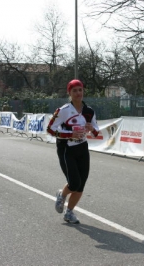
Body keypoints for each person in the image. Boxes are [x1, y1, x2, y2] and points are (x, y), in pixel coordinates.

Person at [47, 79, 99, 224]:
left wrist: (91, 128)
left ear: (83, 91)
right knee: (74, 183)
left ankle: (69, 212)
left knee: (81, 184)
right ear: (69, 93)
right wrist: (68, 134)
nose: (78, 93)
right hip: (66, 149)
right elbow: (50, 129)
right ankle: (62, 195)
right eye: (74, 90)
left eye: (80, 90)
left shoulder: (89, 111)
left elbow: (96, 133)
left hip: (82, 148)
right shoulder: (63, 111)